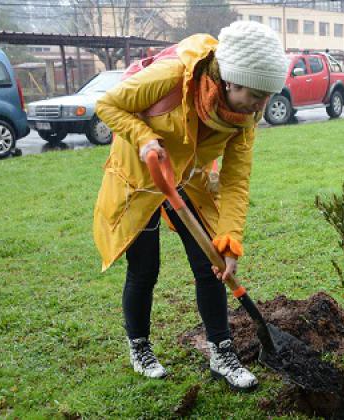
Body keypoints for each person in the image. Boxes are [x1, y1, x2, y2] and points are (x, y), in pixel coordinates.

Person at [92, 21, 288, 391]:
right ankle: (140, 347)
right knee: (144, 269)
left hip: (189, 181)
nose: (262, 106)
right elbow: (108, 104)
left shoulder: (246, 119)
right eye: (256, 95)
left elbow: (235, 180)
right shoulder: (172, 77)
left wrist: (230, 239)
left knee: (210, 263)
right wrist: (145, 138)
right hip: (143, 178)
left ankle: (222, 352)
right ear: (231, 80)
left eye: (268, 96)